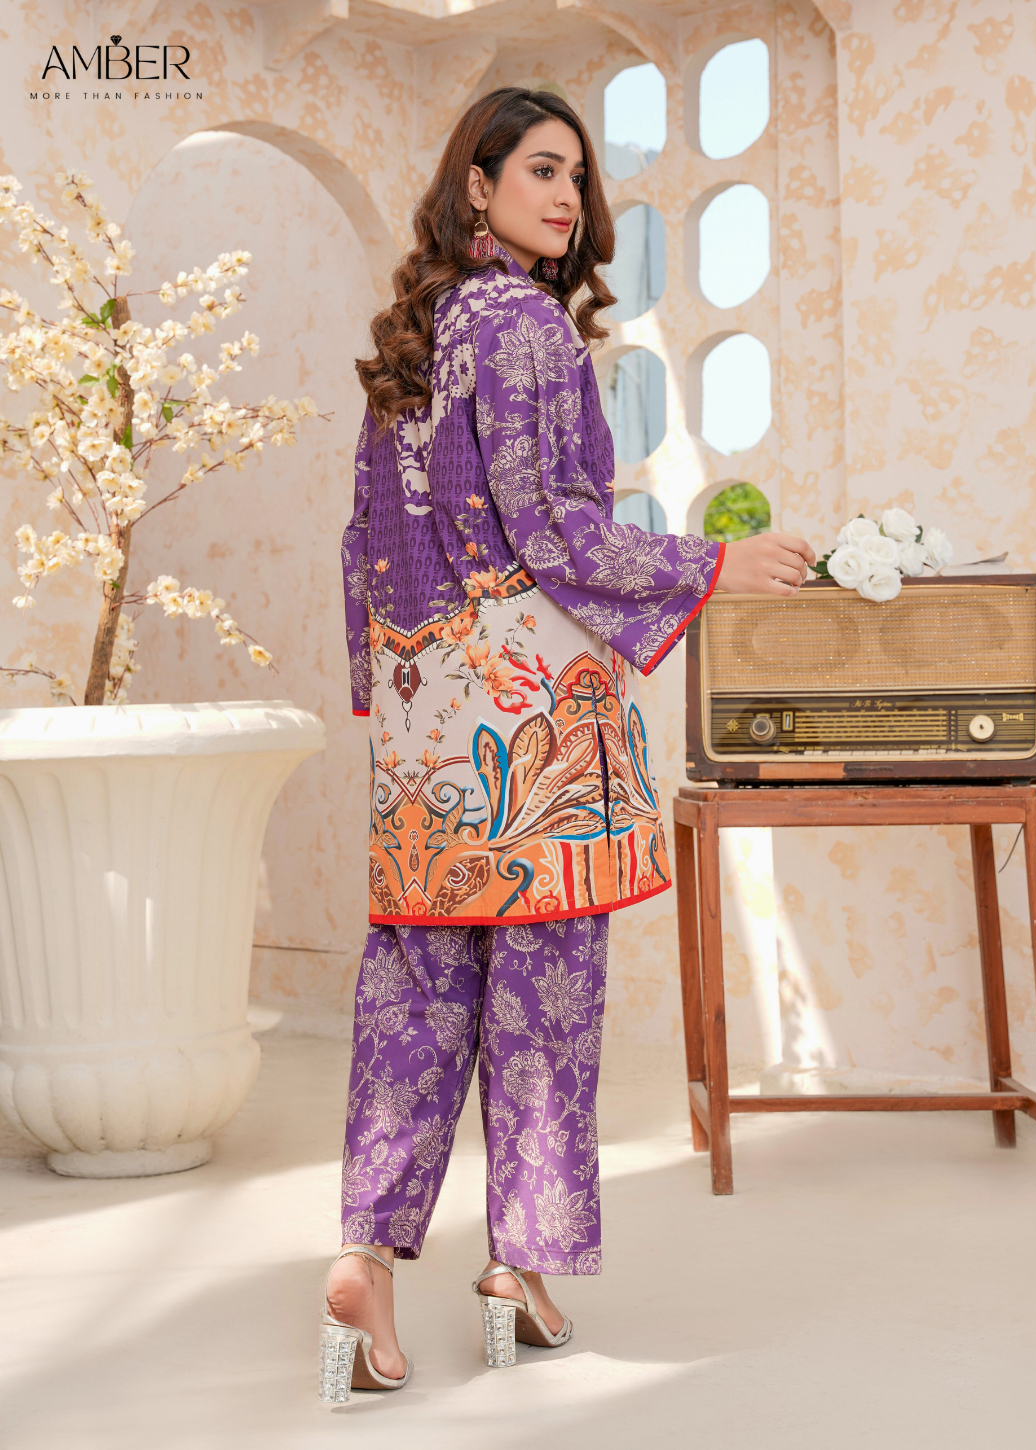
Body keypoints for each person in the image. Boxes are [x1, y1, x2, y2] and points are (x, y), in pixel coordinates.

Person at [319, 86, 815, 1400]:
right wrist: (713, 563)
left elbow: (365, 546)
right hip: (535, 731)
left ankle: (366, 1255)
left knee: (415, 998)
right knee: (544, 1001)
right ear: (475, 185)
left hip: (427, 735)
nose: (567, 195)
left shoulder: (416, 339)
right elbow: (559, 531)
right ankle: (519, 1269)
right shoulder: (526, 327)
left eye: (578, 177)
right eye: (541, 169)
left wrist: (390, 707)